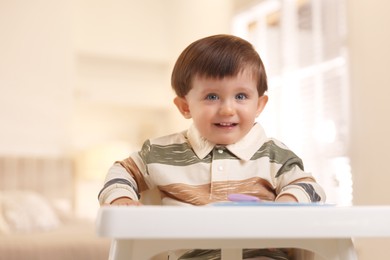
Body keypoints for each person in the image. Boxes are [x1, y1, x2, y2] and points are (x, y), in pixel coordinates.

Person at [98, 34, 326, 260]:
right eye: (212, 96)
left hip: (259, 254)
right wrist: (120, 198)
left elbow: (308, 186)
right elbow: (122, 171)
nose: (227, 109)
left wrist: (288, 203)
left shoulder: (273, 155)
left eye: (240, 96)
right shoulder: (160, 152)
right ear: (186, 106)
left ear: (259, 104)